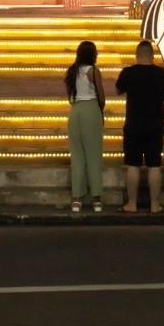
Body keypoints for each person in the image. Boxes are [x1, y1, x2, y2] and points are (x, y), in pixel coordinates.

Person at [116, 40, 164, 213]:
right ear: (152, 56)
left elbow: (119, 90)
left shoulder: (128, 73)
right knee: (154, 164)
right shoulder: (162, 74)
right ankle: (155, 205)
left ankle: (131, 204)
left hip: (133, 124)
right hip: (155, 124)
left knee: (133, 165)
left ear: (136, 55)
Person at [64, 40, 106, 213]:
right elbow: (101, 97)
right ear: (92, 54)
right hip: (90, 109)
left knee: (77, 155)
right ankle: (96, 198)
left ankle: (77, 199)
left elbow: (70, 95)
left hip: (75, 111)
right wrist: (100, 112)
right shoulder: (94, 71)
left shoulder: (72, 72)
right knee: (94, 154)